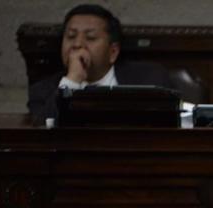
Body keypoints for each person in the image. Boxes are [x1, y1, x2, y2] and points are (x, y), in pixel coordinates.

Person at [27, 4, 174, 121]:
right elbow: (43, 134)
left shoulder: (150, 79)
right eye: (71, 37)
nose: (77, 44)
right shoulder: (43, 91)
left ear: (113, 52)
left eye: (90, 38)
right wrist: (72, 80)